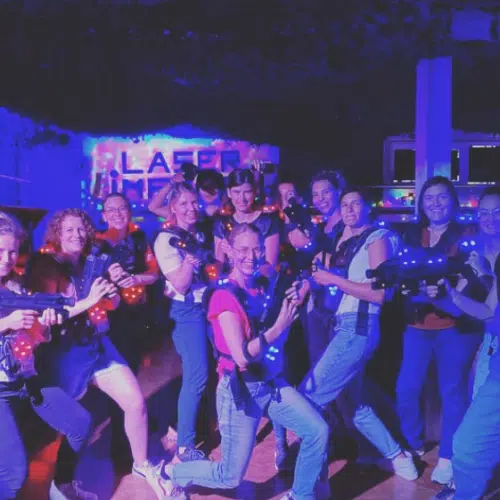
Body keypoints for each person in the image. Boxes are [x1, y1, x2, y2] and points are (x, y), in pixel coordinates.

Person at [148, 223, 329, 500]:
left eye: (257, 249)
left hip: (268, 383)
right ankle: (168, 474)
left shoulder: (260, 288)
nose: (251, 256)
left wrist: (299, 293)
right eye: (243, 249)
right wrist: (278, 327)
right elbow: (241, 355)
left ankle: (301, 495)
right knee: (229, 476)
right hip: (240, 392)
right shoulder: (224, 296)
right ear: (230, 251)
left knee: (317, 430)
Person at [24, 208, 156, 497]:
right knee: (68, 426)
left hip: (97, 345)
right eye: (69, 230)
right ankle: (62, 485)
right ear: (57, 234)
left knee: (135, 402)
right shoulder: (46, 264)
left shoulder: (92, 262)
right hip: (64, 352)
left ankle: (142, 465)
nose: (77, 234)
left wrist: (111, 294)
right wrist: (91, 299)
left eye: (81, 228)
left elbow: (113, 305)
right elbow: (47, 314)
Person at [298, 187, 418, 480]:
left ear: (367, 207)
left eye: (355, 204)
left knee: (305, 401)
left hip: (358, 327)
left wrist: (332, 279)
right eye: (344, 205)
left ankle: (308, 484)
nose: (349, 210)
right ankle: (400, 459)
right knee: (355, 405)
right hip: (346, 326)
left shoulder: (377, 238)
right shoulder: (351, 241)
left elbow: (379, 294)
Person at [0, 211, 92, 500]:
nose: (7, 258)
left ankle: (62, 487)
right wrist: (7, 322)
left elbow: (32, 337)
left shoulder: (16, 287)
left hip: (25, 379)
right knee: (14, 474)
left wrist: (43, 326)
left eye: (12, 251)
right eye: (0, 250)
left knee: (79, 424)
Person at [395, 176, 481, 484]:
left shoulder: (467, 233)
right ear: (421, 203)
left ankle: (447, 456)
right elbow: (401, 275)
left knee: (452, 390)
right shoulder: (410, 234)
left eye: (442, 197)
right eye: (429, 198)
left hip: (454, 327)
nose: (435, 203)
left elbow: (474, 278)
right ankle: (414, 444)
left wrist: (446, 291)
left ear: (453, 202)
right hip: (417, 325)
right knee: (406, 388)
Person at [423, 186, 500, 499]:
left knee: (473, 434)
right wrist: (445, 295)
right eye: (484, 212)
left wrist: (484, 277)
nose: (490, 218)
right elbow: (480, 309)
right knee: (474, 428)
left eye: (497, 212)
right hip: (490, 341)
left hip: (490, 339)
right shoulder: (477, 252)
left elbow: (491, 310)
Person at [98, 192, 159, 466]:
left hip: (138, 315)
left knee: (134, 371)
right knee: (119, 377)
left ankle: (135, 424)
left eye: (121, 208)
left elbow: (154, 274)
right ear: (104, 215)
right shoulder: (97, 243)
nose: (117, 214)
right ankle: (119, 444)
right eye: (111, 210)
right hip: (111, 317)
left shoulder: (140, 238)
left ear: (129, 211)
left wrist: (134, 279)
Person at [153, 182, 211, 463]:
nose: (191, 208)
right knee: (196, 376)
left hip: (208, 305)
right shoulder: (166, 240)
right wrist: (189, 261)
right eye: (184, 204)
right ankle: (184, 446)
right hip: (187, 312)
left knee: (211, 373)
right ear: (173, 208)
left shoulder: (198, 232)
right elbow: (181, 284)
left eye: (194, 202)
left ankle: (186, 429)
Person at [214, 168, 280, 276]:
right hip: (231, 281)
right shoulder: (222, 224)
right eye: (236, 192)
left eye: (247, 192)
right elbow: (218, 267)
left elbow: (270, 268)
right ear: (229, 193)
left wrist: (251, 265)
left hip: (259, 282)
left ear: (254, 192)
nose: (242, 198)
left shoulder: (267, 222)